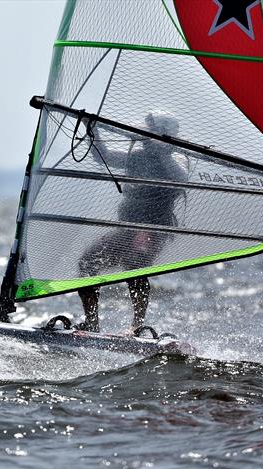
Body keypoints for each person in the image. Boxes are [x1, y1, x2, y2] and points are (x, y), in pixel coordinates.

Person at [75, 111, 187, 333]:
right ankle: (92, 323)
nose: (143, 133)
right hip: (127, 227)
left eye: (149, 129)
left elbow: (181, 179)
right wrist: (92, 128)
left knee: (135, 266)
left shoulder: (176, 160)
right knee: (87, 263)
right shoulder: (136, 157)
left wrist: (164, 149)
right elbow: (103, 156)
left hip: (152, 227)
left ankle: (137, 325)